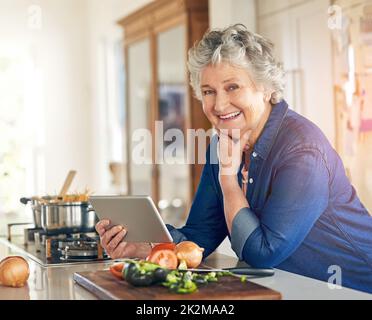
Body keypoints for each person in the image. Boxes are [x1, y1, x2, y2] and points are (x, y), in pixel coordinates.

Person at [96, 24, 372, 294]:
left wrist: (228, 181)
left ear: (264, 88)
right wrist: (145, 246)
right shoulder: (223, 143)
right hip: (292, 288)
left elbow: (262, 254)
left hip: (351, 290)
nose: (219, 105)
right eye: (208, 91)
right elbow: (200, 236)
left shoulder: (302, 150)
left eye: (232, 87)